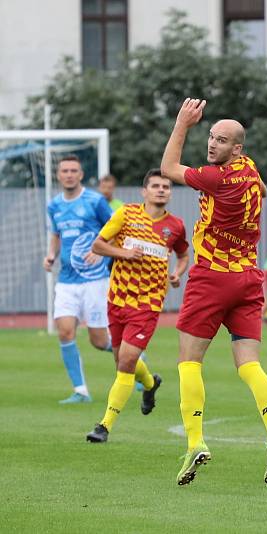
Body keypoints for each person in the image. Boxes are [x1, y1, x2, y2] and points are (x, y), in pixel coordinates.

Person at [160, 98, 267, 486]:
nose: (211, 144)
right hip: (249, 278)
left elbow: (168, 168)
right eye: (210, 137)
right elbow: (263, 190)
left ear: (236, 147)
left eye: (221, 140)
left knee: (189, 361)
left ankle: (196, 442)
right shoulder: (248, 169)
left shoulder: (215, 178)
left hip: (212, 277)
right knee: (249, 364)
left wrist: (183, 123)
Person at [85, 169, 190, 443]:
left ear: (170, 192)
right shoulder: (126, 214)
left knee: (128, 361)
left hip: (148, 304)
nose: (161, 190)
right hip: (117, 299)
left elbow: (183, 255)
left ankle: (104, 426)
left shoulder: (175, 226)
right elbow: (98, 246)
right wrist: (124, 253)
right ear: (144, 192)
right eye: (155, 186)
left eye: (166, 186)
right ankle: (151, 383)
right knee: (122, 361)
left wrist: (178, 273)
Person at [43, 155, 114, 404]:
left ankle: (135, 361)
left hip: (94, 280)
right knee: (64, 332)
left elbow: (117, 230)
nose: (69, 174)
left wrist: (100, 252)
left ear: (81, 174)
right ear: (59, 175)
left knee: (100, 340)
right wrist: (51, 255)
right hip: (66, 280)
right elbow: (55, 234)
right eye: (65, 170)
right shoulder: (53, 206)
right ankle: (80, 390)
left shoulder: (95, 201)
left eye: (74, 170)